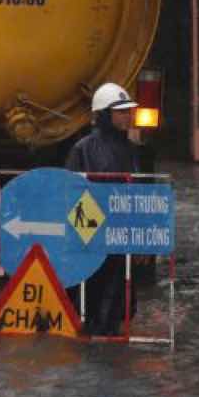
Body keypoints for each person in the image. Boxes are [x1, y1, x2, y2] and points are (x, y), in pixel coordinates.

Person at [65, 81, 142, 337]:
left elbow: (140, 194)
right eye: (121, 112)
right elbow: (72, 194)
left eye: (128, 111)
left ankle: (111, 333)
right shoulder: (83, 148)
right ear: (105, 115)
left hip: (121, 236)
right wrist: (90, 235)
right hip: (94, 239)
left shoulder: (132, 150)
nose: (127, 116)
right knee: (91, 295)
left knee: (119, 294)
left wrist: (140, 235)